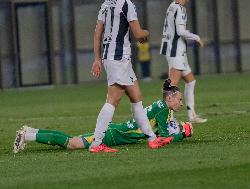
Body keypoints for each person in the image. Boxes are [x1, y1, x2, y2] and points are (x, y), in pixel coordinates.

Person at [13, 79, 193, 154]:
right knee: (73, 143)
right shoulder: (163, 109)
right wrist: (182, 133)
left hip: (117, 132)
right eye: (179, 99)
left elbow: (164, 129)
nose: (181, 103)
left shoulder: (162, 106)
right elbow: (162, 137)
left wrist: (178, 129)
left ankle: (31, 131)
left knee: (73, 141)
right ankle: (27, 135)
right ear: (169, 98)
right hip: (113, 134)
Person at [89, 0, 172, 153]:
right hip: (119, 59)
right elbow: (138, 34)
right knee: (113, 99)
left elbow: (97, 33)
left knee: (136, 97)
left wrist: (97, 58)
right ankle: (96, 143)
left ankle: (152, 139)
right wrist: (147, 33)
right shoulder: (127, 4)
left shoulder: (106, 4)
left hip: (113, 58)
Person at [160, 0, 207, 124]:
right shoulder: (179, 8)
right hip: (176, 51)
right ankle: (167, 119)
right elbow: (180, 31)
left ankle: (192, 115)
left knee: (191, 81)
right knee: (172, 86)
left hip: (174, 49)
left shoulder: (172, 6)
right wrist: (197, 38)